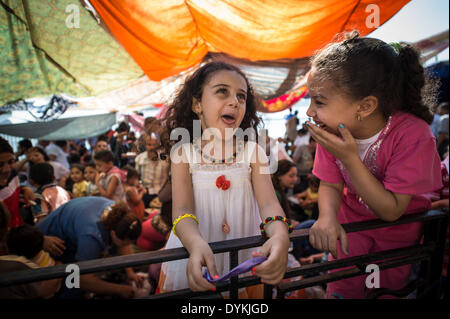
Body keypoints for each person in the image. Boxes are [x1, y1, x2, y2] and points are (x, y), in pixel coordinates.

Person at [304, 32, 442, 299]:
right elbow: (330, 184)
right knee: (343, 288)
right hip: (350, 228)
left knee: (383, 293)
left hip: (396, 236)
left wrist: (349, 158)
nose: (310, 112)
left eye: (319, 101)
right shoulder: (331, 130)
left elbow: (391, 211)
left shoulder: (413, 134)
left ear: (365, 106)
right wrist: (327, 217)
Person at [157, 61, 290, 296]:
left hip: (244, 256)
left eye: (241, 96)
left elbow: (269, 205)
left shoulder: (253, 152)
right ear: (197, 104)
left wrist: (280, 235)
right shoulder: (183, 154)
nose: (234, 102)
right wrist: (196, 245)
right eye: (222, 91)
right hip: (195, 252)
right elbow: (182, 211)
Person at [35, 197, 144, 298]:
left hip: (72, 231)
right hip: (46, 241)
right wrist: (120, 290)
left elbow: (125, 242)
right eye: (125, 242)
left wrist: (130, 272)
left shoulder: (122, 216)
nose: (128, 245)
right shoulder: (92, 236)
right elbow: (81, 280)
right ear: (113, 233)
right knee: (72, 285)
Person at [0, 137, 35, 228]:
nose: (6, 169)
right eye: (0, 165)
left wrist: (24, 189)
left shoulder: (13, 174)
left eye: (11, 162)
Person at [134, 131, 170, 208]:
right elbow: (136, 178)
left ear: (159, 145)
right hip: (145, 194)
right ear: (145, 145)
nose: (152, 147)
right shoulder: (139, 159)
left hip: (161, 195)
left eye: (155, 145)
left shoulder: (165, 160)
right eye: (149, 144)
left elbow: (169, 179)